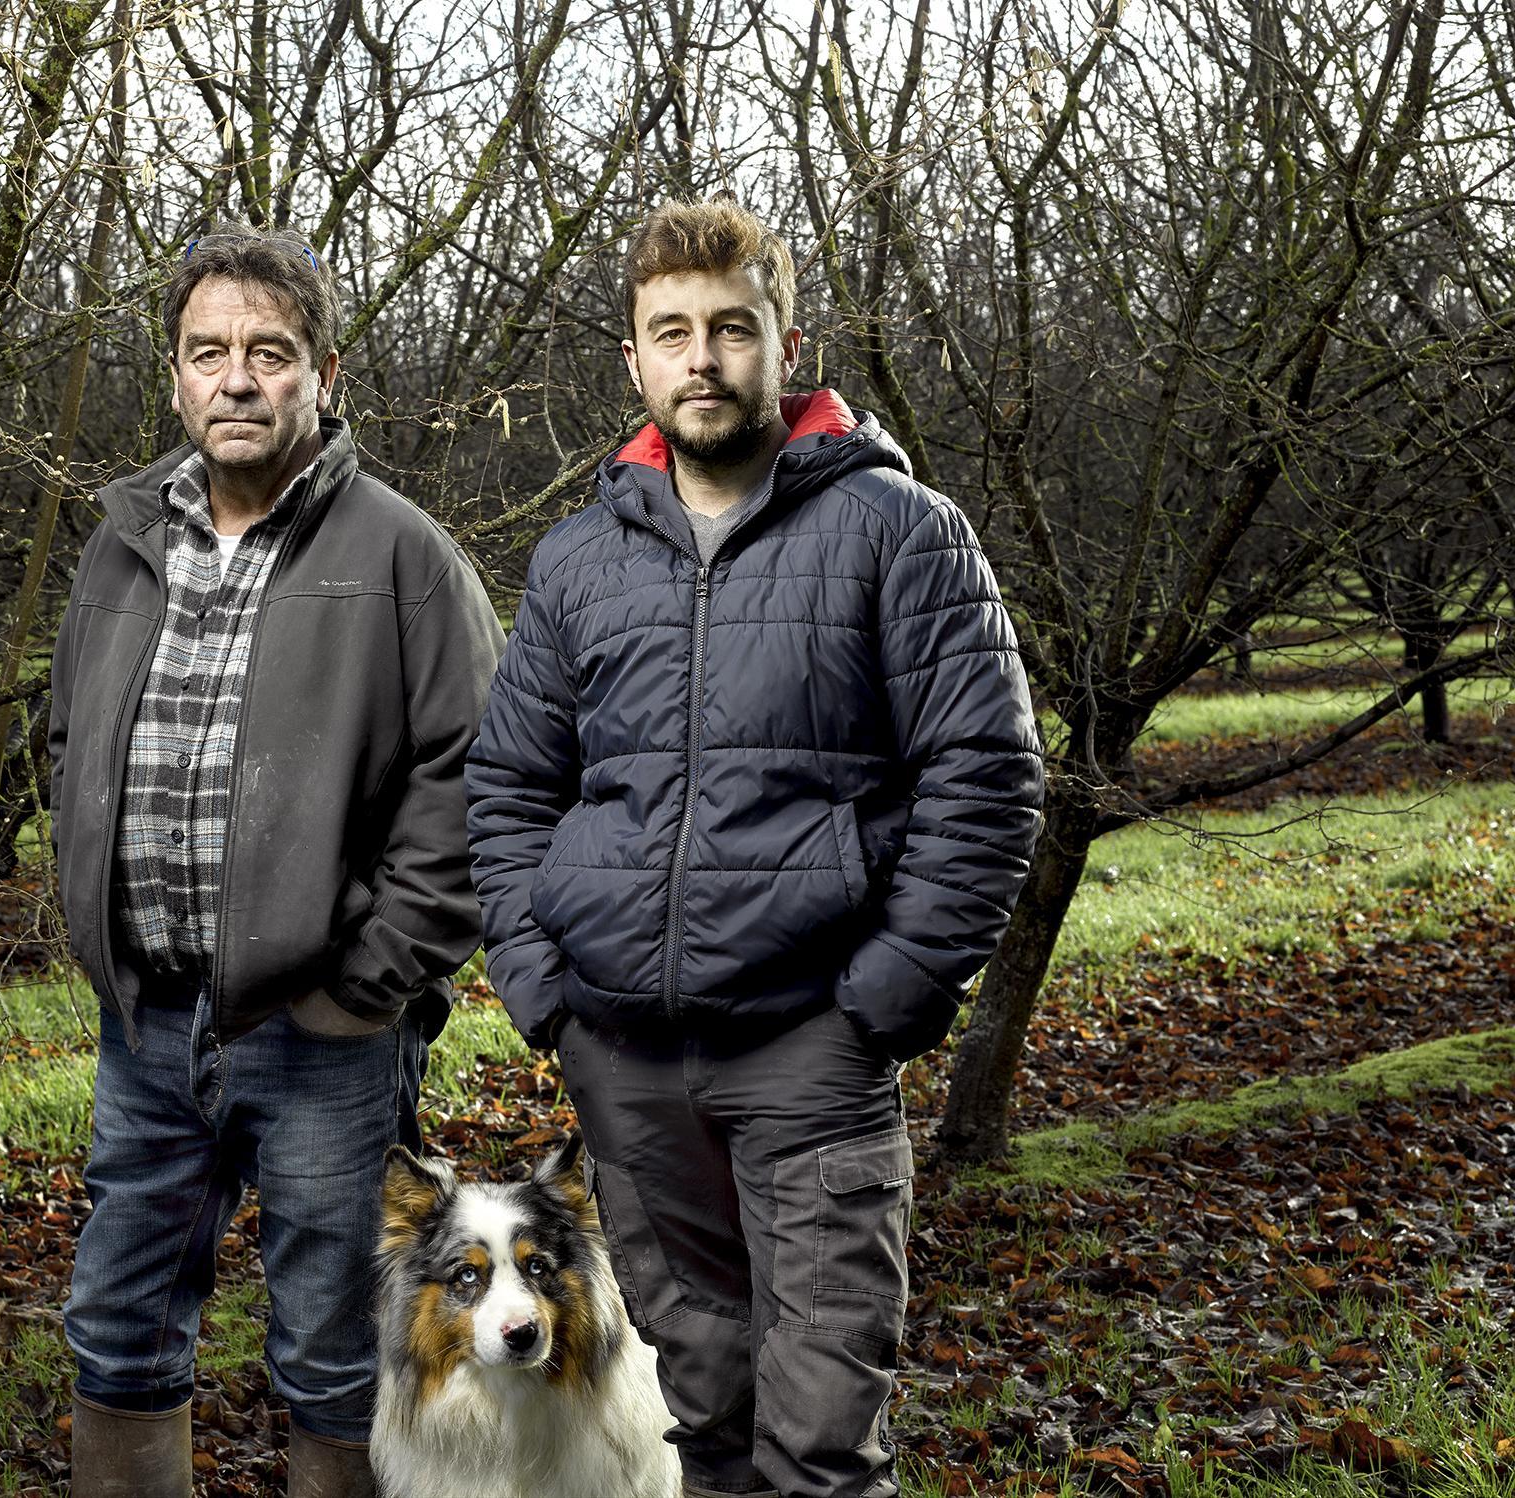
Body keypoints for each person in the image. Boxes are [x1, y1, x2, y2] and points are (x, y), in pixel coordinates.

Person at [465, 197, 1044, 1498]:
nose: (704, 358)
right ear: (634, 359)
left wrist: (883, 1002)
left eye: (733, 327)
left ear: (788, 341)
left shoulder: (902, 533)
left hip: (809, 1050)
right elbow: (506, 784)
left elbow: (989, 783)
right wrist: (543, 986)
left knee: (822, 1437)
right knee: (708, 1417)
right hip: (624, 1059)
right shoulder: (576, 560)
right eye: (671, 332)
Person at [47, 221, 501, 1498]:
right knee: (119, 1326)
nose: (236, 379)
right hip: (146, 1024)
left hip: (323, 1038)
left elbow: (472, 785)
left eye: (268, 352)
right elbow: (68, 733)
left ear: (324, 374)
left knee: (335, 1349)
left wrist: (369, 981)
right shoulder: (122, 539)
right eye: (208, 353)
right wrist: (97, 919)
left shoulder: (404, 557)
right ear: (176, 375)